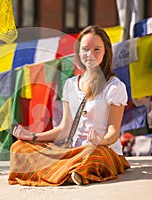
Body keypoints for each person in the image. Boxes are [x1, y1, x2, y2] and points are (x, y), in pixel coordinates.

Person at [8, 25, 130, 186]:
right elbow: (64, 129)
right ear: (78, 52)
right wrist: (33, 137)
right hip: (71, 151)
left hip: (102, 150)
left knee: (93, 154)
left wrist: (101, 141)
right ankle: (70, 173)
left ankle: (63, 172)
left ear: (106, 52)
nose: (90, 55)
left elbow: (114, 132)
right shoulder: (70, 84)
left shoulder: (114, 87)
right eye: (85, 49)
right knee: (19, 148)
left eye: (97, 50)